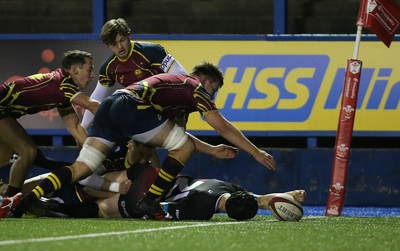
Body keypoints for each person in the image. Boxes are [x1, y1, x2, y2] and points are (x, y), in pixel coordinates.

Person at [2, 62, 276, 220]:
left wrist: (213, 151)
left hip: (113, 106)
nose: (211, 96)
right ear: (204, 80)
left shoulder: (174, 89)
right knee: (184, 146)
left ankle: (25, 199)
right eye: (213, 89)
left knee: (82, 168)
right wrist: (255, 152)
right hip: (131, 108)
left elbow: (170, 134)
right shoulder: (193, 87)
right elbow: (221, 126)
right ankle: (151, 201)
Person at [3, 163, 306, 221]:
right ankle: (29, 203)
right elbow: (158, 210)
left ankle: (16, 194)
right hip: (143, 197)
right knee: (98, 208)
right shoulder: (199, 211)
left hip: (152, 178)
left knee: (84, 181)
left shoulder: (227, 187)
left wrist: (283, 197)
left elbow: (253, 198)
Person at [80, 17, 187, 167]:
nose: (119, 47)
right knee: (142, 151)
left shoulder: (153, 51)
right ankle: (157, 183)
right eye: (113, 44)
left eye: (122, 40)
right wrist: (82, 129)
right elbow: (96, 98)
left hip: (170, 105)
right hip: (144, 110)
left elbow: (182, 76)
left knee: (180, 146)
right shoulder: (109, 67)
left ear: (129, 35)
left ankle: (169, 179)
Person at [0, 50, 100, 198]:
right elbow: (92, 105)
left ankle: (9, 198)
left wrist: (93, 156)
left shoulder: (61, 88)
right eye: (90, 69)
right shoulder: (63, 84)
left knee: (6, 158)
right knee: (28, 151)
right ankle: (10, 201)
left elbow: (75, 127)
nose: (92, 75)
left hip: (5, 112)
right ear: (74, 70)